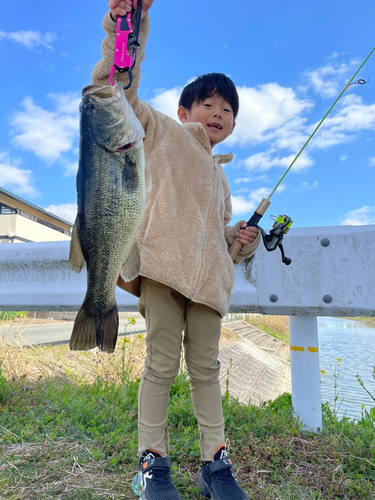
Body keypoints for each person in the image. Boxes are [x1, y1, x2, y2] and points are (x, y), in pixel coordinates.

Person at [93, 1, 261, 498]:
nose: (219, 113)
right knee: (160, 368)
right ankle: (152, 462)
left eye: (228, 110)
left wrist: (239, 243)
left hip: (209, 285)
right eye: (208, 104)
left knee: (206, 371)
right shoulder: (161, 131)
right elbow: (118, 88)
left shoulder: (222, 175)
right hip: (164, 272)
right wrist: (128, 25)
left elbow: (218, 237)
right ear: (185, 110)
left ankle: (217, 464)